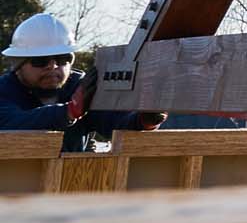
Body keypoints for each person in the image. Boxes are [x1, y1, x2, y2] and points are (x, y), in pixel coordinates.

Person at [0, 12, 162, 151]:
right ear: (18, 65)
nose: (53, 66)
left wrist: (144, 120)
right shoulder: (4, 90)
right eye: (40, 61)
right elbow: (11, 125)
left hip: (71, 181)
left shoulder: (81, 88)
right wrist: (69, 111)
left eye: (63, 58)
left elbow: (113, 122)